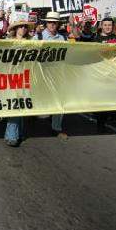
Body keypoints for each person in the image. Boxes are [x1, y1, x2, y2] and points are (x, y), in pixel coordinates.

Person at [33, 11, 68, 139]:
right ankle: (31, 117)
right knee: (36, 99)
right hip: (40, 73)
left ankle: (56, 127)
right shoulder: (38, 37)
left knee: (59, 100)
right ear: (46, 23)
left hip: (57, 74)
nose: (52, 25)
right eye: (50, 22)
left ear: (58, 24)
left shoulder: (63, 38)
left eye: (55, 22)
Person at [4, 20, 35, 147]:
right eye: (20, 27)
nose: (23, 28)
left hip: (26, 77)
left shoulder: (32, 42)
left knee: (21, 105)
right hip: (11, 77)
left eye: (25, 27)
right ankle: (12, 136)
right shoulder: (7, 42)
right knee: (14, 105)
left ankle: (17, 133)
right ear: (15, 29)